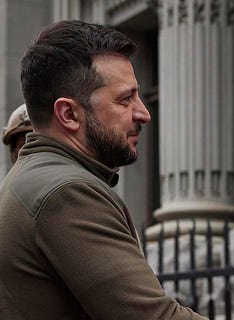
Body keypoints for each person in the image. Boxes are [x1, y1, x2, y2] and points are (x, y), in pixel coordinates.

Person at [0, 20, 207, 319]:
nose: (144, 113)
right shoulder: (67, 193)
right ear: (69, 114)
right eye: (125, 99)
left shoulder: (29, 181)